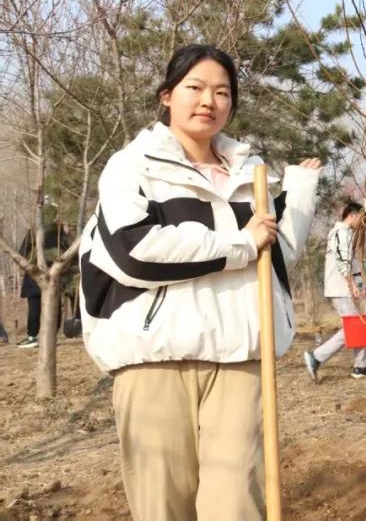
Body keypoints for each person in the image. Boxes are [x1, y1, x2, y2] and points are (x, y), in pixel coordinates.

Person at [77, 44, 321, 521]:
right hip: (156, 362)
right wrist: (239, 243)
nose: (209, 100)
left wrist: (299, 194)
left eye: (222, 92)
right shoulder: (132, 166)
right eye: (195, 87)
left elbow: (274, 258)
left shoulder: (251, 173)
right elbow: (133, 251)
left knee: (236, 504)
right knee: (164, 506)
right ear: (167, 95)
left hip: (239, 359)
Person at [303, 201, 366, 380]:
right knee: (352, 328)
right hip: (341, 288)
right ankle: (316, 356)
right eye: (361, 218)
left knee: (358, 325)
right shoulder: (340, 233)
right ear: (352, 216)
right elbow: (343, 262)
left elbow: (352, 263)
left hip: (347, 287)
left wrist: (359, 285)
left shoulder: (348, 234)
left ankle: (362, 366)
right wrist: (352, 284)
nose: (362, 223)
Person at [16, 222, 70, 349]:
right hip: (50, 274)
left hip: (40, 275)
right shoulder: (58, 232)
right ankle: (47, 336)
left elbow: (22, 253)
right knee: (52, 306)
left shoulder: (36, 231)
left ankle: (34, 337)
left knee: (37, 307)